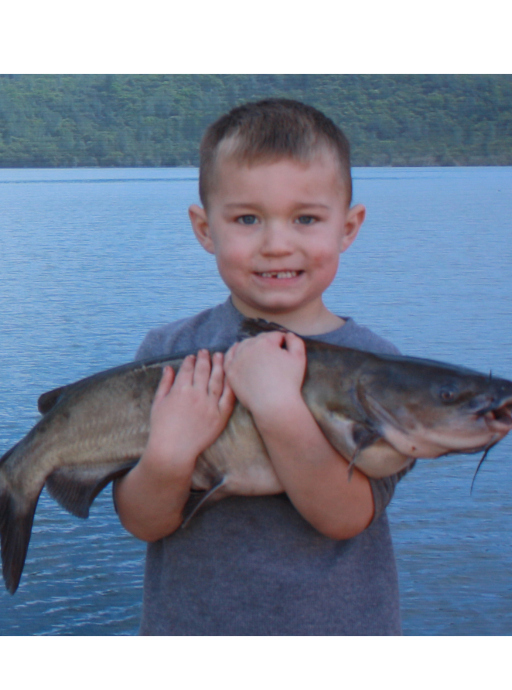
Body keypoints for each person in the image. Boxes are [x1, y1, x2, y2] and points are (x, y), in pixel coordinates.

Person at [111, 98, 409, 635]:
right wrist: (169, 453)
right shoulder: (168, 351)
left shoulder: (382, 370)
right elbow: (144, 521)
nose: (277, 244)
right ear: (205, 229)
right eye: (247, 219)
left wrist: (277, 407)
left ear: (348, 227)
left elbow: (343, 517)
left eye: (307, 219)